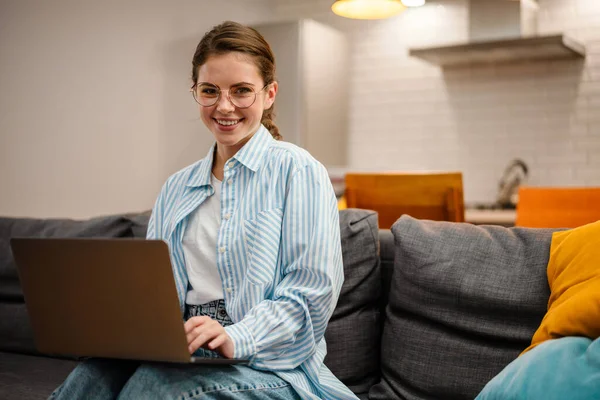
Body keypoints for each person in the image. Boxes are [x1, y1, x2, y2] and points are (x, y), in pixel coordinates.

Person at [50, 21, 358, 400]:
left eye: (241, 91)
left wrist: (233, 335)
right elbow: (153, 295)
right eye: (210, 91)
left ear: (270, 93)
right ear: (196, 92)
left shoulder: (298, 171)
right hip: (187, 352)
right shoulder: (176, 188)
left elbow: (310, 296)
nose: (224, 106)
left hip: (273, 365)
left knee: (153, 388)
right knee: (90, 378)